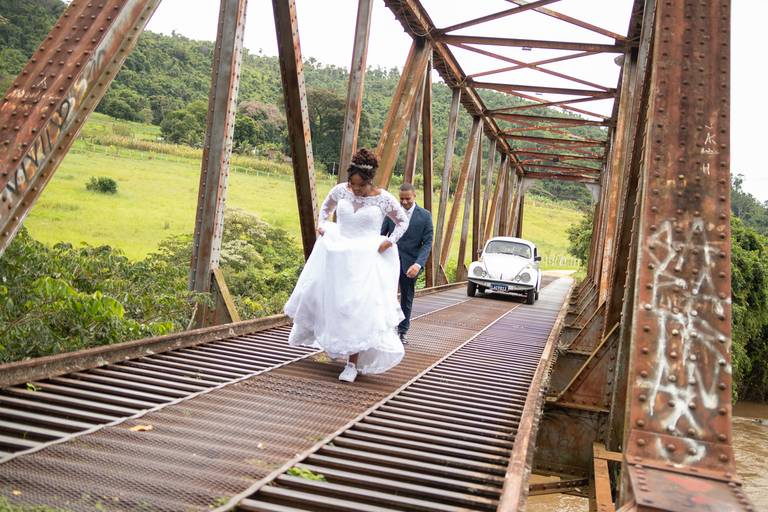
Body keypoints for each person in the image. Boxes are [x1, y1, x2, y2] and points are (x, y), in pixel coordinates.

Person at [284, 148, 410, 383]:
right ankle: (333, 343)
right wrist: (322, 225)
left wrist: (389, 241)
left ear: (370, 181)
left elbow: (402, 222)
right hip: (338, 254)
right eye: (352, 184)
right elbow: (325, 208)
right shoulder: (341, 190)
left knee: (356, 308)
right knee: (330, 300)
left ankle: (352, 363)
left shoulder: (383, 198)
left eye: (360, 185)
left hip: (365, 260)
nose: (355, 189)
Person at [381, 182, 434, 344]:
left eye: (407, 199)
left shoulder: (425, 216)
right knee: (383, 294)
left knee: (407, 297)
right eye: (401, 199)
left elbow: (427, 243)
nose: (404, 202)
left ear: (414, 196)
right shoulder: (392, 214)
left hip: (410, 264)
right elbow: (381, 235)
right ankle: (383, 328)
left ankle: (402, 332)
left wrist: (418, 264)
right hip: (389, 262)